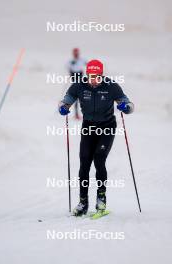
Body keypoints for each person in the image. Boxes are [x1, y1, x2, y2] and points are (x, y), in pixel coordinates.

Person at [59, 59, 134, 216]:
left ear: (101, 75)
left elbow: (129, 105)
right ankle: (83, 202)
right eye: (90, 76)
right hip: (88, 127)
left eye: (97, 76)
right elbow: (67, 99)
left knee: (99, 160)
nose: (93, 80)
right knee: (84, 162)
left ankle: (101, 201)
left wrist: (125, 107)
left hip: (106, 127)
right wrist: (63, 107)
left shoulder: (111, 86)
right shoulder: (79, 85)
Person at [67, 48, 86, 119]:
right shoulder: (70, 61)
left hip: (81, 80)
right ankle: (76, 114)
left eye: (77, 53)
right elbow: (68, 67)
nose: (76, 54)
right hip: (74, 80)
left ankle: (84, 114)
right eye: (75, 53)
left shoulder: (82, 60)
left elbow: (88, 64)